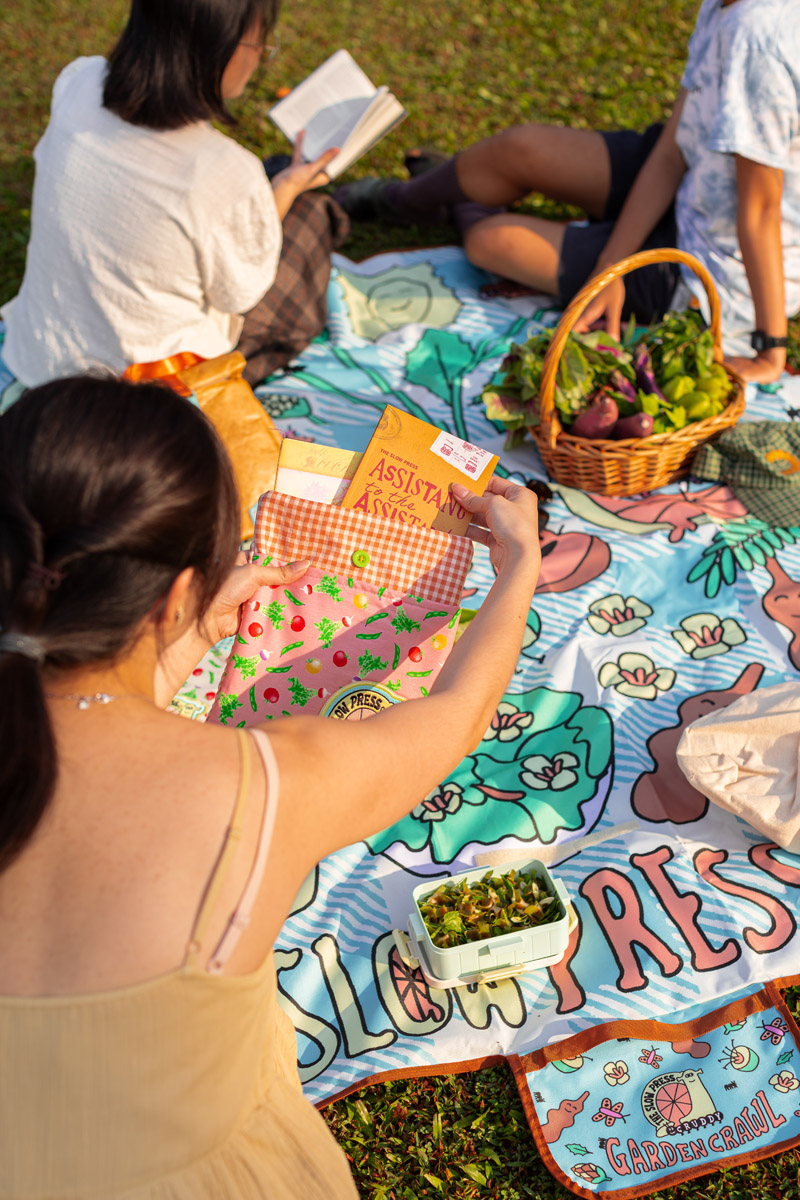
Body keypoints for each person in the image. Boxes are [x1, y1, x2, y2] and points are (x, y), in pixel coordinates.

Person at [0, 374, 540, 1198]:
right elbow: (457, 713)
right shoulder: (266, 783)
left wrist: (176, 650)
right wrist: (518, 568)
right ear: (183, 588)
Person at [335, 0, 800, 384]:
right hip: (697, 176)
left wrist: (769, 350)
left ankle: (456, 201)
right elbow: (669, 153)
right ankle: (403, 199)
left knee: (489, 242)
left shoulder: (758, 32)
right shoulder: (723, 6)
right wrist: (609, 266)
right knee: (521, 149)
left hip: (719, 268)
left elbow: (759, 211)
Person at [1, 0, 348, 389]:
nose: (259, 59)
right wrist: (287, 189)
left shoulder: (78, 81)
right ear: (217, 49)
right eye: (258, 45)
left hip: (42, 353)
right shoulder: (222, 169)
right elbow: (240, 295)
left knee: (272, 179)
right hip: (143, 391)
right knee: (313, 214)